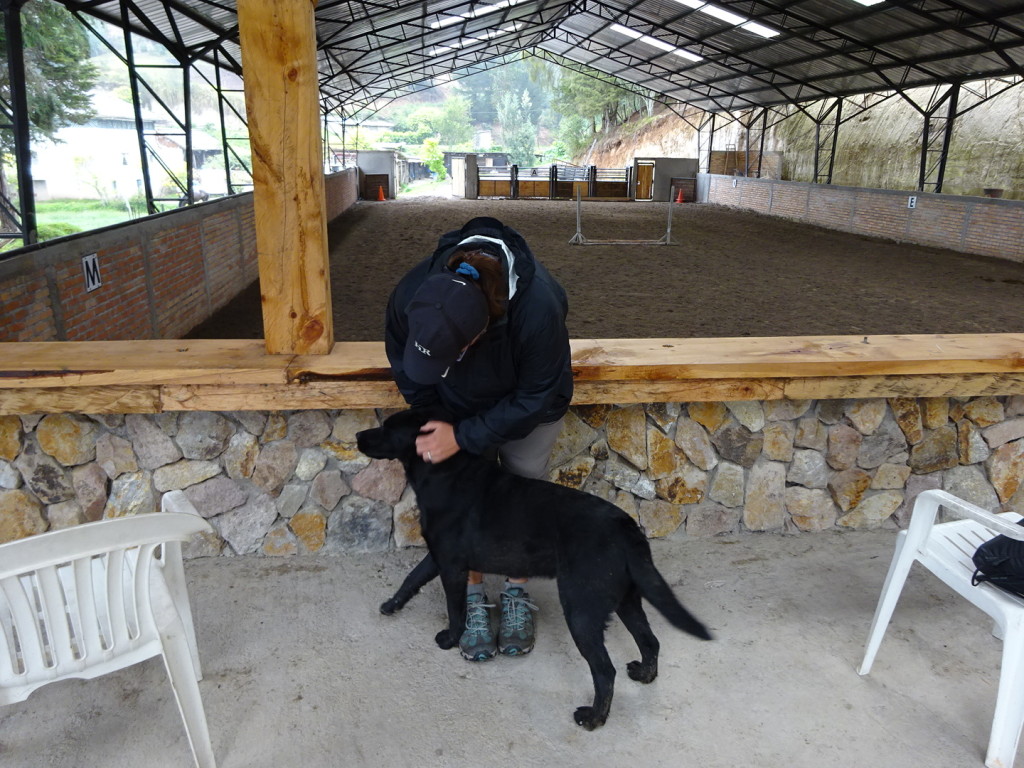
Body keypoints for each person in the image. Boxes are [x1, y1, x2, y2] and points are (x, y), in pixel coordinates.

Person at [385, 216, 574, 661]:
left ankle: (515, 593)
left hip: (530, 406)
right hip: (454, 407)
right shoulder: (410, 293)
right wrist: (438, 423)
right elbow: (406, 366)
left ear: (479, 334)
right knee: (461, 502)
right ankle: (472, 597)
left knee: (520, 494)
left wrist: (465, 436)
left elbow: (534, 394)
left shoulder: (538, 308)